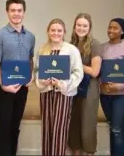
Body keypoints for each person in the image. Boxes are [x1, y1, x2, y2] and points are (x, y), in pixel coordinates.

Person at [0, 0, 35, 156]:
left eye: (19, 10)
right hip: (5, 89)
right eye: (13, 10)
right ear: (7, 12)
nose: (16, 14)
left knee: (15, 127)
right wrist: (2, 84)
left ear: (24, 12)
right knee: (5, 128)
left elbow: (30, 59)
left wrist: (31, 77)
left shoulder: (30, 36)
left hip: (22, 89)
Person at [35, 18, 84, 156]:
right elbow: (37, 70)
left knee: (59, 129)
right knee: (47, 128)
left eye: (59, 30)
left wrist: (63, 84)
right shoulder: (43, 49)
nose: (56, 33)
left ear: (64, 32)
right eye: (53, 30)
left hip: (63, 94)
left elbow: (78, 72)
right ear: (48, 32)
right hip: (46, 93)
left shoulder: (72, 50)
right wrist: (42, 81)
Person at [99, 18, 124, 156]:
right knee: (113, 128)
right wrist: (102, 84)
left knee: (117, 130)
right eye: (110, 27)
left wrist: (120, 86)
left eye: (115, 28)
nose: (111, 30)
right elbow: (98, 70)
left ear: (123, 31)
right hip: (105, 96)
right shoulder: (102, 48)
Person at [67, 13, 101, 155]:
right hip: (73, 88)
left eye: (85, 26)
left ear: (89, 27)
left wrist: (75, 64)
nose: (81, 28)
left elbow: (94, 71)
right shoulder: (71, 44)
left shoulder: (95, 44)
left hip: (89, 89)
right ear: (74, 26)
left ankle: (88, 152)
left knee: (87, 124)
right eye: (79, 25)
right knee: (74, 123)